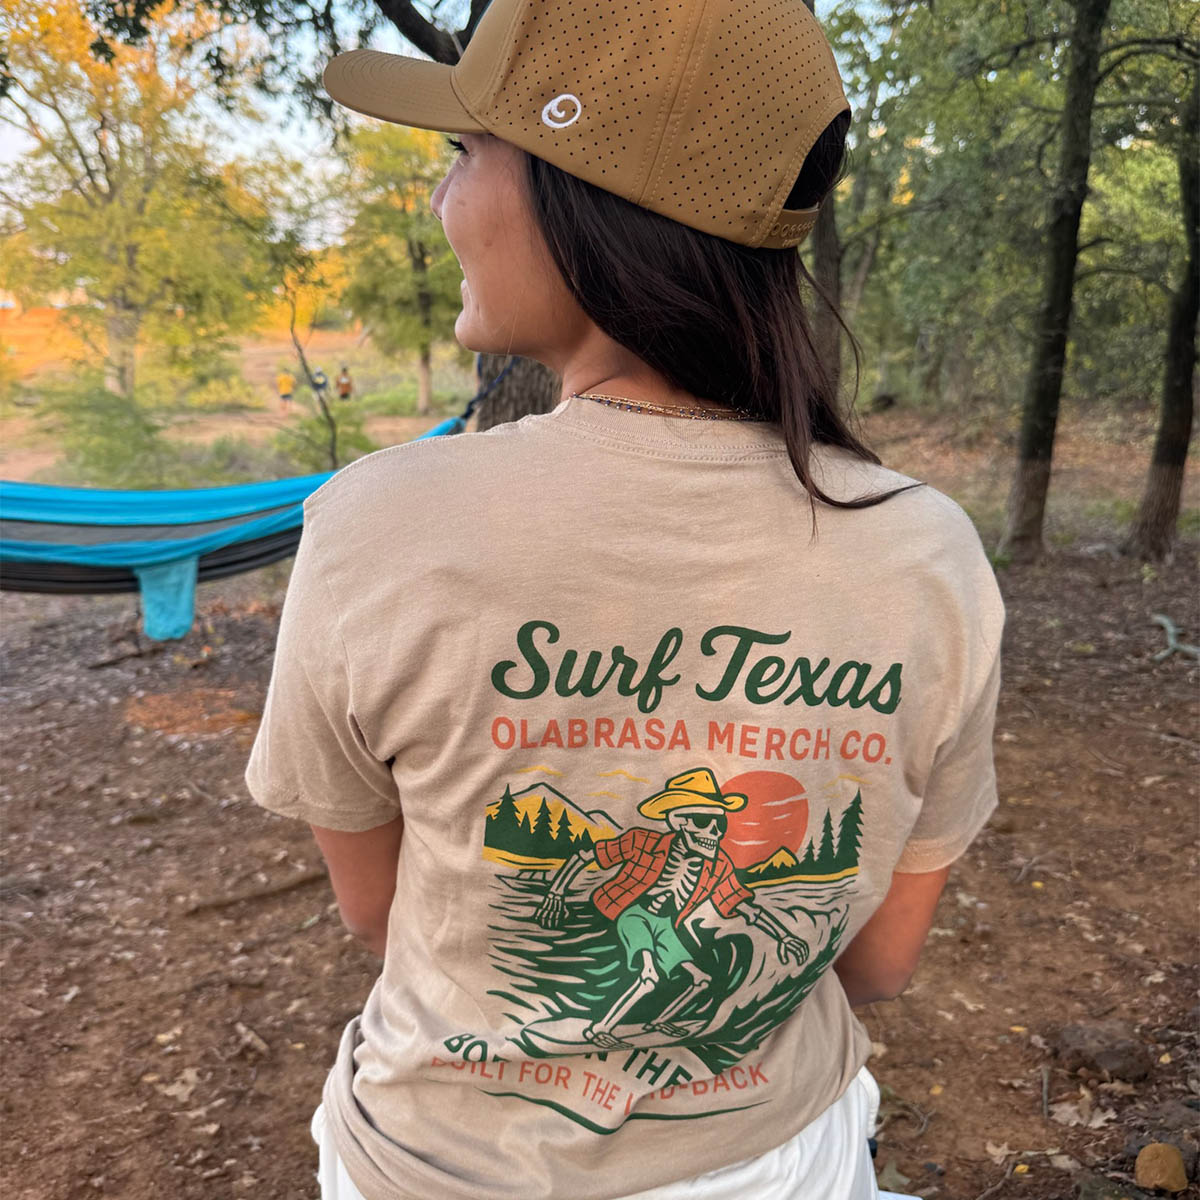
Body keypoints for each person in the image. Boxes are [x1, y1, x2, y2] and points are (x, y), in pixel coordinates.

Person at [246, 3, 1003, 1199]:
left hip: (439, 1171)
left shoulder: (378, 525)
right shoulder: (929, 553)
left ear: (579, 193)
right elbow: (880, 965)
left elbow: (380, 914)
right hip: (783, 1164)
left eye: (466, 153)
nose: (444, 203)